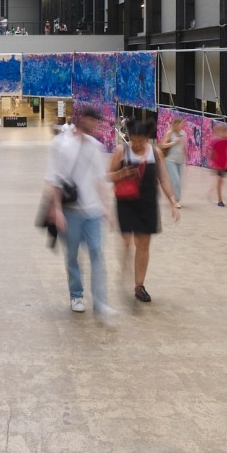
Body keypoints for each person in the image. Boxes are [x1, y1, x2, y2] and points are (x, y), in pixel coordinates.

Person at [45, 105, 114, 316]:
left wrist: (106, 207)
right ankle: (76, 295)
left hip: (92, 211)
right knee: (73, 255)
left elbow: (99, 179)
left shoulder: (95, 146)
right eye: (92, 120)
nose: (95, 125)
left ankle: (101, 302)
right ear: (81, 119)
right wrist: (56, 209)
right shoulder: (61, 144)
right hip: (71, 211)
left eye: (97, 121)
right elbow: (54, 179)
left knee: (96, 252)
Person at [110, 119, 179, 303]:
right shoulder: (121, 151)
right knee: (126, 241)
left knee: (144, 244)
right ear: (130, 137)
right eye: (135, 140)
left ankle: (139, 286)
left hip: (147, 203)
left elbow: (163, 177)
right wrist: (121, 174)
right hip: (125, 202)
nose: (138, 144)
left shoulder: (155, 153)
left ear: (147, 138)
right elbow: (108, 175)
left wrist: (173, 201)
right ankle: (124, 266)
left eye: (142, 140)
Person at [158, 117, 188, 208]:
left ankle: (174, 198)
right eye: (181, 124)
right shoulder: (170, 133)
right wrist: (174, 142)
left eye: (183, 124)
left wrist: (186, 160)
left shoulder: (183, 133)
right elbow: (163, 145)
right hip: (170, 160)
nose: (182, 126)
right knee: (176, 180)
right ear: (176, 124)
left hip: (179, 160)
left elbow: (183, 147)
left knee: (177, 180)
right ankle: (176, 200)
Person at [206, 122, 227, 207]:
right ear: (218, 132)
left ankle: (216, 193)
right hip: (218, 163)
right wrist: (213, 164)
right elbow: (212, 153)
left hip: (224, 163)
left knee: (220, 181)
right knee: (219, 181)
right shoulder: (215, 142)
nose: (226, 133)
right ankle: (220, 200)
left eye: (226, 132)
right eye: (224, 132)